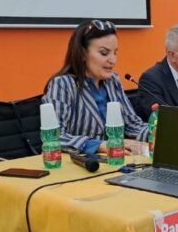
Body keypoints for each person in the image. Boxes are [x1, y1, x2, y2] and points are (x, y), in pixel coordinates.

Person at [43, 20, 148, 155]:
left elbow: (132, 124)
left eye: (115, 53)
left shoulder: (113, 81)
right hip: (79, 163)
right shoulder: (62, 84)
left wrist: (158, 132)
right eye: (104, 53)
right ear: (82, 54)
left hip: (116, 160)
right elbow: (54, 137)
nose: (113, 60)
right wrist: (101, 145)